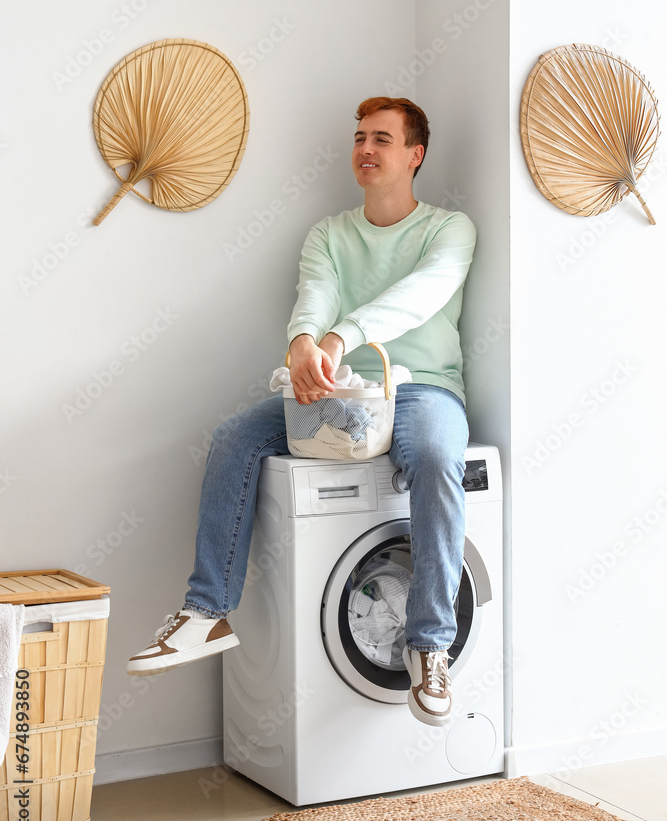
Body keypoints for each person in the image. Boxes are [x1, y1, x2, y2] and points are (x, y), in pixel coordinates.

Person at [127, 96, 477, 728]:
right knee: (236, 435)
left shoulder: (449, 229)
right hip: (333, 391)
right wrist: (303, 347)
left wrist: (342, 336)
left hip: (421, 388)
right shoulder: (330, 234)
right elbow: (312, 295)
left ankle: (428, 645)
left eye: (383, 139)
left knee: (433, 454)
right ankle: (207, 612)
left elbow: (420, 297)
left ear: (415, 155)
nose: (366, 149)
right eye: (359, 137)